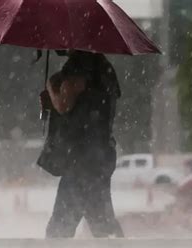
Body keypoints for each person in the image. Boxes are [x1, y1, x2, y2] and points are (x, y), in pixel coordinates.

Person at [37, 51, 124, 238]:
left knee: (60, 228)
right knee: (102, 223)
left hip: (80, 160)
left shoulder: (81, 65)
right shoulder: (103, 68)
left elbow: (63, 104)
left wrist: (51, 88)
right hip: (99, 156)